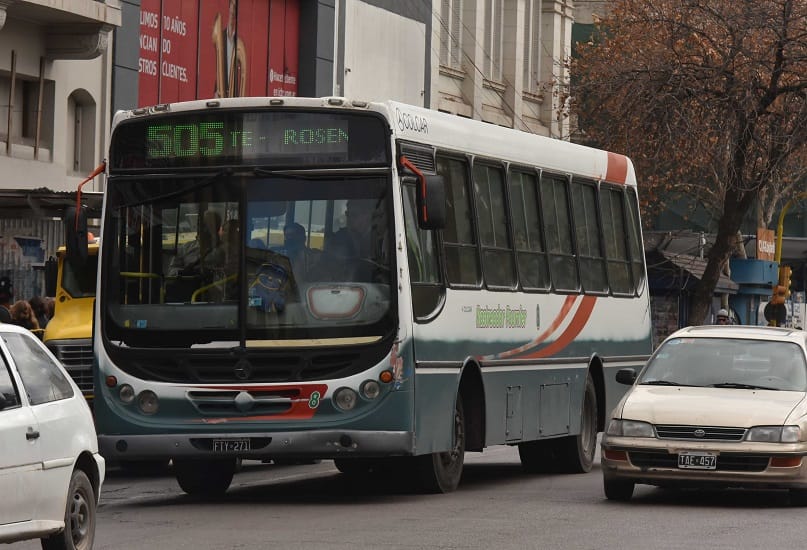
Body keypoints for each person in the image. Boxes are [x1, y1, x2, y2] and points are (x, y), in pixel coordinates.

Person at [168, 210, 225, 278]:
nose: (201, 228)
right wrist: (183, 272)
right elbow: (171, 271)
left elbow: (228, 272)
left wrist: (211, 272)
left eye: (206, 225)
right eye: (200, 224)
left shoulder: (224, 249)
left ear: (216, 228)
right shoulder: (185, 248)